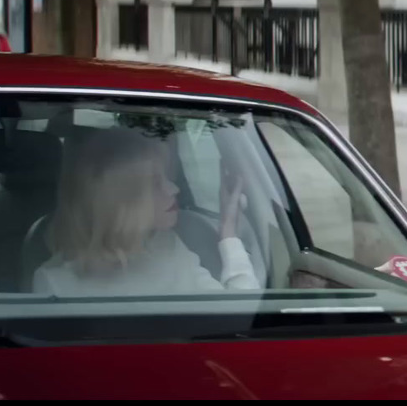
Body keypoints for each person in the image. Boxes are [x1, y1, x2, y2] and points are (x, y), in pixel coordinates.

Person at [32, 127, 261, 296]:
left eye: (166, 177)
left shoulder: (168, 246)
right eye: (154, 183)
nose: (174, 188)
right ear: (120, 201)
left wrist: (228, 231)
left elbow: (240, 315)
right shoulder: (54, 282)